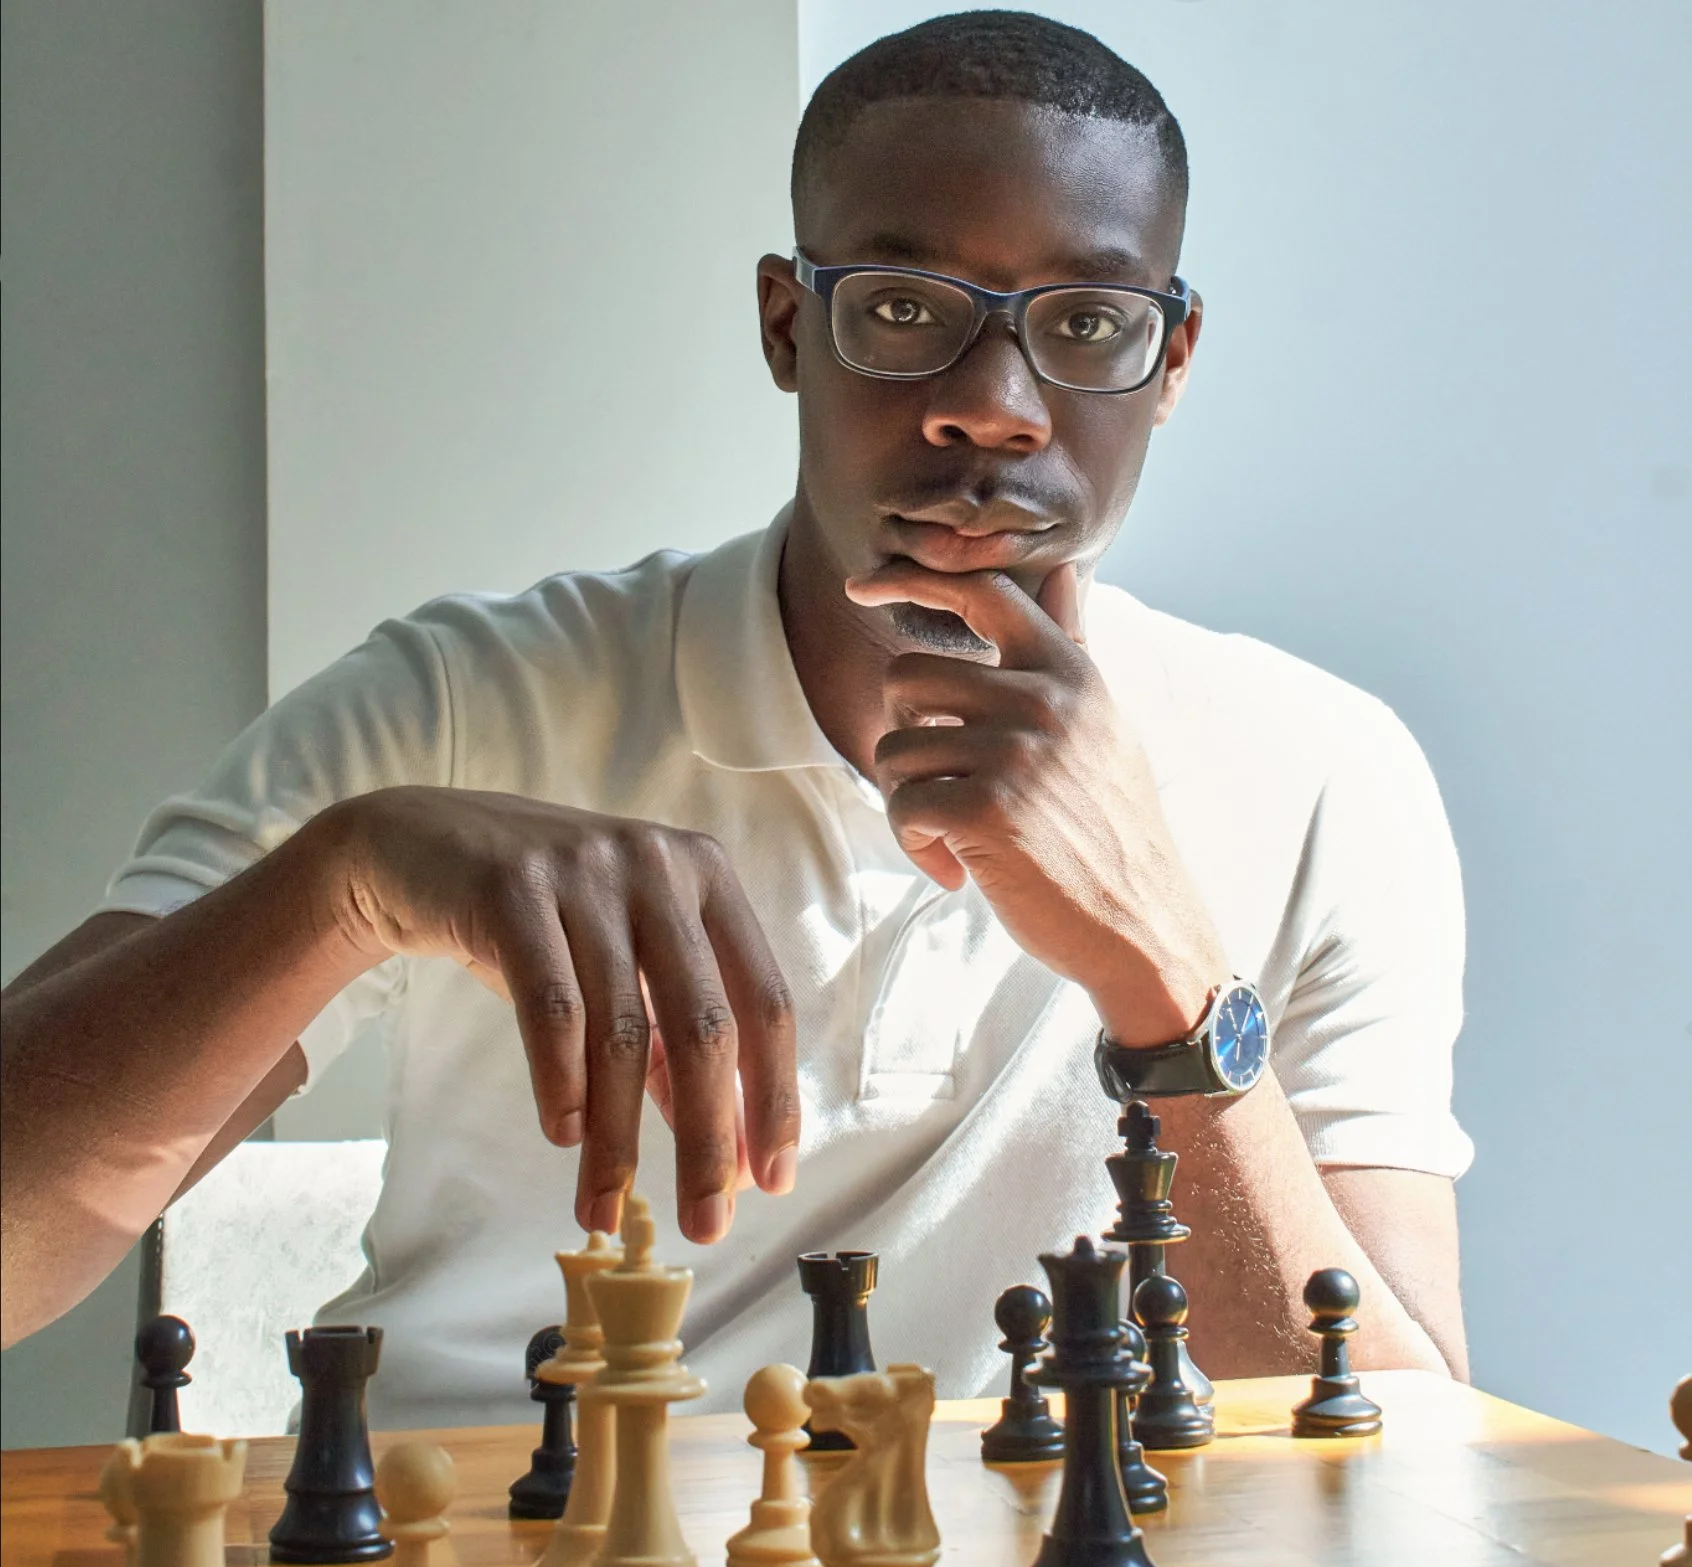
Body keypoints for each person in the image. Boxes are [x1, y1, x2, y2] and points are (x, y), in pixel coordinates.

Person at [0, 12, 1469, 1425]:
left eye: (1088, 323)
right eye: (905, 311)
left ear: (1174, 361)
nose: (995, 406)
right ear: (787, 322)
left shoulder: (1328, 773)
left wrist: (1169, 971)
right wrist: (341, 881)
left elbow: (1409, 1447)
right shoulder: (460, 705)